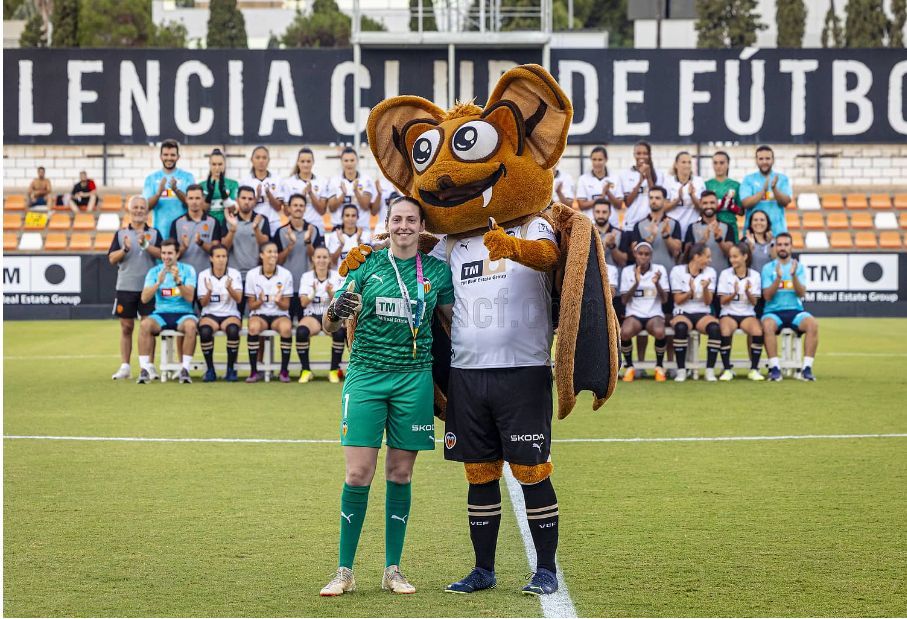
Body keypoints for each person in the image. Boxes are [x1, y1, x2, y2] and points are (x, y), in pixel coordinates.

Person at [319, 197, 454, 597]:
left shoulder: (436, 273)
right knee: (358, 473)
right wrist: (333, 310)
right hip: (366, 377)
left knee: (400, 473)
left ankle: (392, 569)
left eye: (411, 220)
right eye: (397, 219)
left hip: (414, 380)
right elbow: (329, 325)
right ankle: (344, 570)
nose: (404, 226)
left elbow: (454, 326)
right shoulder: (365, 265)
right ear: (387, 224)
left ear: (421, 225)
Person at [108, 196, 163, 381]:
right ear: (129, 211)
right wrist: (124, 249)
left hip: (148, 287)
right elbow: (111, 259)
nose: (139, 210)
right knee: (126, 327)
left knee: (148, 327)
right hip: (126, 286)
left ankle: (149, 366)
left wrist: (146, 245)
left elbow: (163, 255)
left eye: (142, 207)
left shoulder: (154, 234)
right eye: (136, 207)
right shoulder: (120, 234)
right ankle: (125, 366)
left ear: (147, 211)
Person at [136, 239, 198, 384]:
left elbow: (189, 297)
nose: (166, 257)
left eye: (170, 253)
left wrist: (178, 281)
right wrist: (158, 282)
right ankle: (144, 369)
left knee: (191, 327)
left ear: (177, 254)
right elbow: (144, 298)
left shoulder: (188, 270)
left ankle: (185, 369)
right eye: (163, 253)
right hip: (161, 314)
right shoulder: (155, 271)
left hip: (184, 314)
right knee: (145, 325)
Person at [761, 233, 818, 382]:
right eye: (779, 244)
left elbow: (801, 293)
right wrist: (778, 278)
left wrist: (793, 276)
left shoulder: (798, 267)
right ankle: (774, 368)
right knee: (767, 325)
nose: (782, 247)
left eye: (786, 244)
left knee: (812, 323)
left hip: (795, 311)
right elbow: (767, 296)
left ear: (791, 247)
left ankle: (806, 368)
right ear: (775, 247)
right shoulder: (768, 268)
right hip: (773, 312)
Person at [244, 241, 295, 383]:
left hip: (279, 314)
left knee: (286, 329)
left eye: (275, 252)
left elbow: (286, 306)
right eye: (269, 252)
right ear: (262, 255)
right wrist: (260, 301)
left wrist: (278, 301)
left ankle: (284, 371)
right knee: (253, 327)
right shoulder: (252, 275)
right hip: (259, 314)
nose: (273, 255)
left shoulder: (285, 274)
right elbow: (251, 306)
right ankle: (254, 371)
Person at [669, 243, 720, 382]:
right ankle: (681, 370)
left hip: (702, 312)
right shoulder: (678, 271)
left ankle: (709, 370)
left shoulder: (710, 272)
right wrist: (690, 292)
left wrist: (705, 289)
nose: (709, 260)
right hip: (683, 311)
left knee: (715, 328)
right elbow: (678, 300)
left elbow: (708, 302)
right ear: (696, 256)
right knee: (681, 327)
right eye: (707, 256)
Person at [619, 242, 669, 382]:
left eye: (647, 254)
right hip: (634, 313)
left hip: (654, 313)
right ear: (635, 254)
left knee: (660, 331)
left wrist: (657, 283)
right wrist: (636, 282)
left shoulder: (659, 270)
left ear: (651, 256)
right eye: (640, 253)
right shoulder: (628, 271)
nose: (643, 257)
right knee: (624, 333)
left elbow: (665, 299)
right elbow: (624, 300)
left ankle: (659, 367)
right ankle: (629, 367)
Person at [296, 246, 345, 383]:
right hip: (312, 314)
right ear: (313, 259)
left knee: (340, 333)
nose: (321, 260)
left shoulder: (337, 276)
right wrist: (312, 293)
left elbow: (341, 302)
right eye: (318, 257)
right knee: (301, 331)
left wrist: (330, 294)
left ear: (329, 259)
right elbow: (303, 303)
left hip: (329, 314)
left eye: (324, 257)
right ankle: (306, 370)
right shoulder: (306, 277)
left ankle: (333, 370)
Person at [717, 242, 765, 382]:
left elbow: (754, 302)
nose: (732, 260)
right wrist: (734, 293)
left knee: (757, 331)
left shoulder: (754, 275)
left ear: (745, 256)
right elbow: (722, 301)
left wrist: (748, 293)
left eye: (735, 256)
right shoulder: (725, 274)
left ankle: (754, 369)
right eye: (731, 257)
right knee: (725, 331)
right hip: (729, 313)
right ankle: (727, 369)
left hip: (747, 313)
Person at [197, 246, 243, 383]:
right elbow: (203, 304)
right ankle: (210, 370)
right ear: (211, 258)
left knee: (233, 330)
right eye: (218, 256)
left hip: (230, 314)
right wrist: (209, 291)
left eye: (224, 256)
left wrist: (229, 288)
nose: (221, 260)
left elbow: (239, 299)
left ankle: (230, 369)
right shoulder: (203, 275)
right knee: (204, 331)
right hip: (210, 314)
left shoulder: (234, 274)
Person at [222, 186, 271, 314]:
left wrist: (255, 228)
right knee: (234, 317)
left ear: (254, 201)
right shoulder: (229, 220)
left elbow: (265, 245)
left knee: (259, 317)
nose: (246, 201)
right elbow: (223, 248)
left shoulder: (261, 220)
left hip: (257, 276)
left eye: (250, 198)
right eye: (243, 198)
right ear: (237, 200)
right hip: (234, 277)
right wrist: (232, 229)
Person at [275, 193, 321, 321]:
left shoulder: (314, 230)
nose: (298, 208)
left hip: (306, 288)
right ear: (288, 208)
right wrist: (291, 245)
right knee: (286, 328)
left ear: (305, 208)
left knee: (304, 330)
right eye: (295, 205)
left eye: (301, 205)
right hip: (287, 287)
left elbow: (318, 260)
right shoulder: (281, 231)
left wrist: (307, 242)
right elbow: (277, 261)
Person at [143, 139, 195, 239]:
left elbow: (192, 204)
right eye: (166, 155)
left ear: (178, 157)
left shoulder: (187, 177)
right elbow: (146, 207)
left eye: (172, 155)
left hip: (184, 231)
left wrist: (176, 190)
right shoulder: (151, 178)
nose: (169, 158)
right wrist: (158, 194)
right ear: (160, 156)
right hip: (160, 232)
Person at [170, 184, 224, 281]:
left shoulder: (213, 222)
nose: (194, 202)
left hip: (207, 277)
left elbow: (216, 251)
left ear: (203, 199)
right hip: (184, 278)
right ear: (186, 199)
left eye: (197, 198)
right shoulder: (177, 223)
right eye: (191, 198)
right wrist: (184, 247)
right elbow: (171, 255)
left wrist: (201, 243)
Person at [740, 145, 792, 235]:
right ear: (756, 160)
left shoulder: (782, 178)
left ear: (773, 160)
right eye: (761, 159)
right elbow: (746, 203)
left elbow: (786, 202)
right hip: (753, 234)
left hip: (777, 232)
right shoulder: (748, 179)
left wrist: (774, 189)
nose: (764, 162)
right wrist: (762, 192)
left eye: (767, 158)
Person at [628, 186, 682, 271]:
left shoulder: (674, 223)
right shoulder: (639, 225)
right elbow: (634, 252)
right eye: (651, 198)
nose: (653, 201)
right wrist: (650, 238)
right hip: (644, 275)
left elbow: (676, 252)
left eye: (657, 198)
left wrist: (666, 236)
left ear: (664, 200)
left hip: (667, 271)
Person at [619, 141, 667, 233]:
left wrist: (648, 177)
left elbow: (657, 197)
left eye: (645, 154)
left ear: (649, 155)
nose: (642, 156)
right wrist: (640, 181)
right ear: (634, 155)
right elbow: (628, 202)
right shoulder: (625, 174)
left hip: (651, 224)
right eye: (638, 153)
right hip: (631, 224)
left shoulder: (659, 174)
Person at [683, 191, 734, 276]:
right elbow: (687, 254)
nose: (709, 206)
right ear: (700, 204)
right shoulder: (692, 227)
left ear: (717, 204)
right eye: (705, 203)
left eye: (712, 203)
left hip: (722, 278)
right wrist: (703, 240)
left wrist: (719, 240)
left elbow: (731, 254)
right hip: (698, 278)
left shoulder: (727, 227)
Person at [281, 147, 330, 235]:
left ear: (313, 162)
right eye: (302, 161)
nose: (306, 165)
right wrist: (301, 198)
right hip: (295, 229)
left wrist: (311, 194)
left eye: (308, 161)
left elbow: (322, 211)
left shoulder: (322, 181)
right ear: (298, 162)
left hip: (317, 227)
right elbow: (286, 212)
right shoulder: (288, 183)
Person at [326, 147, 376, 231]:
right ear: (341, 162)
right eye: (346, 160)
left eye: (352, 160)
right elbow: (332, 208)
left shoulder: (366, 180)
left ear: (357, 161)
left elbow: (365, 206)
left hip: (361, 228)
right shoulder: (334, 181)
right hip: (339, 228)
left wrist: (356, 191)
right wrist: (343, 194)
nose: (349, 163)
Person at [239, 145, 284, 233]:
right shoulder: (245, 181)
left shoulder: (277, 179)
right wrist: (258, 196)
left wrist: (268, 193)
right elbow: (244, 208)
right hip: (252, 222)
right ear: (252, 160)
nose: (261, 161)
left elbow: (278, 207)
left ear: (268, 160)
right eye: (257, 157)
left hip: (273, 222)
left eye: (264, 158)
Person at [575, 146, 620, 224]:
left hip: (612, 224)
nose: (597, 163)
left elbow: (619, 205)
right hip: (590, 224)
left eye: (600, 160)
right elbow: (581, 205)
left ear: (606, 160)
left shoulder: (615, 178)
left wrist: (608, 193)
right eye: (594, 159)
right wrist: (601, 198)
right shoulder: (583, 179)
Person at [664, 151, 705, 236]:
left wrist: (692, 196)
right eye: (683, 162)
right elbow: (663, 209)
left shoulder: (699, 181)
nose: (687, 165)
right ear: (676, 165)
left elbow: (703, 209)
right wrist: (678, 200)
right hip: (673, 230)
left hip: (692, 230)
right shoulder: (668, 181)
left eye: (689, 162)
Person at [705, 151, 742, 242]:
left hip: (731, 226)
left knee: (733, 254)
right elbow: (701, 209)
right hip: (712, 227)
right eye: (715, 163)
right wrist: (716, 207)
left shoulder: (736, 185)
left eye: (722, 163)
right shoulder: (706, 185)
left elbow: (741, 212)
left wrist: (732, 207)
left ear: (728, 164)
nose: (718, 166)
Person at [326, 204, 372, 270]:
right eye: (347, 215)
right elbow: (332, 262)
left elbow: (369, 260)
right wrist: (341, 245)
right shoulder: (334, 236)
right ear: (342, 218)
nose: (350, 218)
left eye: (353, 216)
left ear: (357, 218)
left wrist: (359, 241)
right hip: (340, 278)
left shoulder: (365, 235)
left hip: (360, 276)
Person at [201, 148, 238, 227]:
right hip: (208, 226)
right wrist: (209, 196)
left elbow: (234, 210)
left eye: (220, 164)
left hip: (226, 226)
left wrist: (224, 194)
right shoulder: (201, 185)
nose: (217, 168)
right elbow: (201, 211)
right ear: (209, 165)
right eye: (214, 164)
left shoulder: (233, 184)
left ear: (224, 164)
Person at [743, 210, 775, 283]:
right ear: (751, 224)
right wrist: (750, 247)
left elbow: (776, 261)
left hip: (769, 283)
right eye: (755, 220)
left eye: (762, 220)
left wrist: (771, 244)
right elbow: (743, 264)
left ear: (767, 223)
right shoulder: (745, 241)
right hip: (751, 283)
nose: (759, 223)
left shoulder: (773, 241)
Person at [593, 199, 627, 267]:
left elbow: (623, 262)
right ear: (593, 213)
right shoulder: (586, 234)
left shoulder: (620, 233)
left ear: (610, 213)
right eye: (597, 212)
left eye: (604, 212)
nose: (601, 215)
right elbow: (586, 262)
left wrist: (613, 246)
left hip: (614, 277)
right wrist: (604, 244)